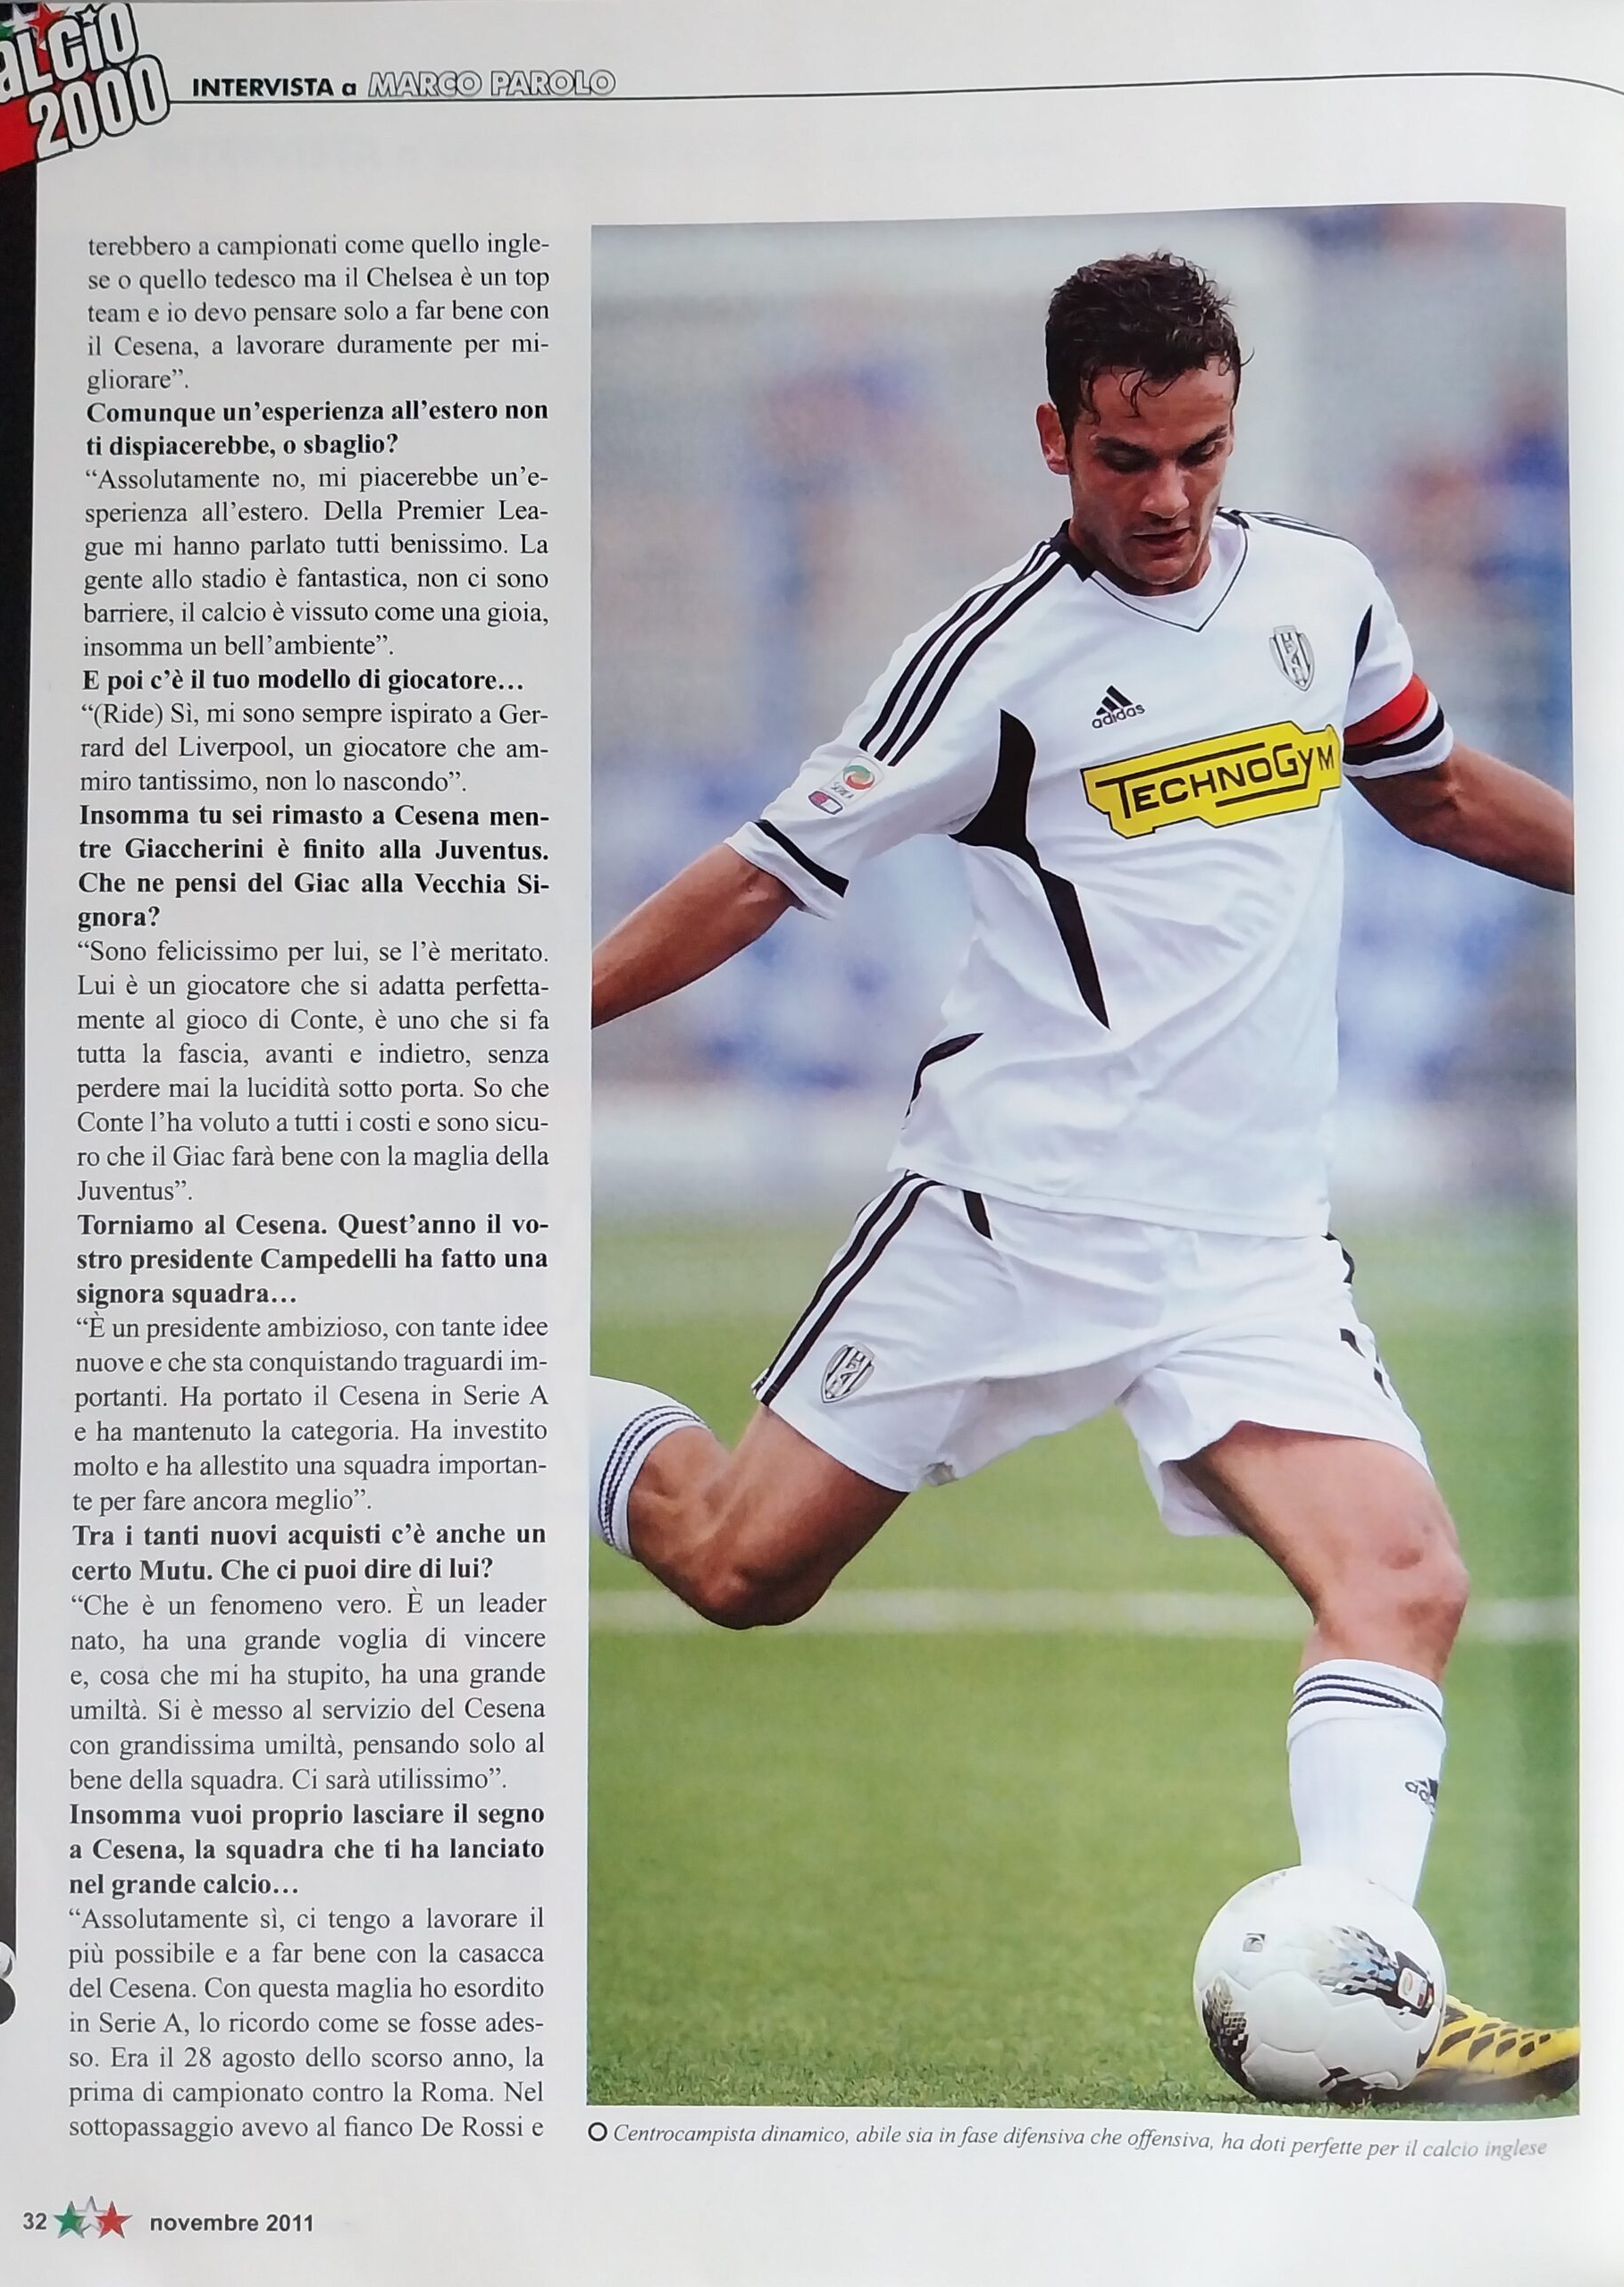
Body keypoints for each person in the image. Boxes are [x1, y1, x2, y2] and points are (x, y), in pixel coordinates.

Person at [589, 253, 1578, 2104]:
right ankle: (488, 1409)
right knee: (734, 1564)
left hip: (1247, 1249)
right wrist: (532, 1018)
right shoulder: (987, 661)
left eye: (1201, 451)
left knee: (1403, 1576)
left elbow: (1434, 788)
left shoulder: (1323, 596)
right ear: (1055, 437)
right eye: (1127, 457)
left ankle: (1369, 1988)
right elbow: (758, 869)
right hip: (1005, 1217)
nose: (1169, 497)